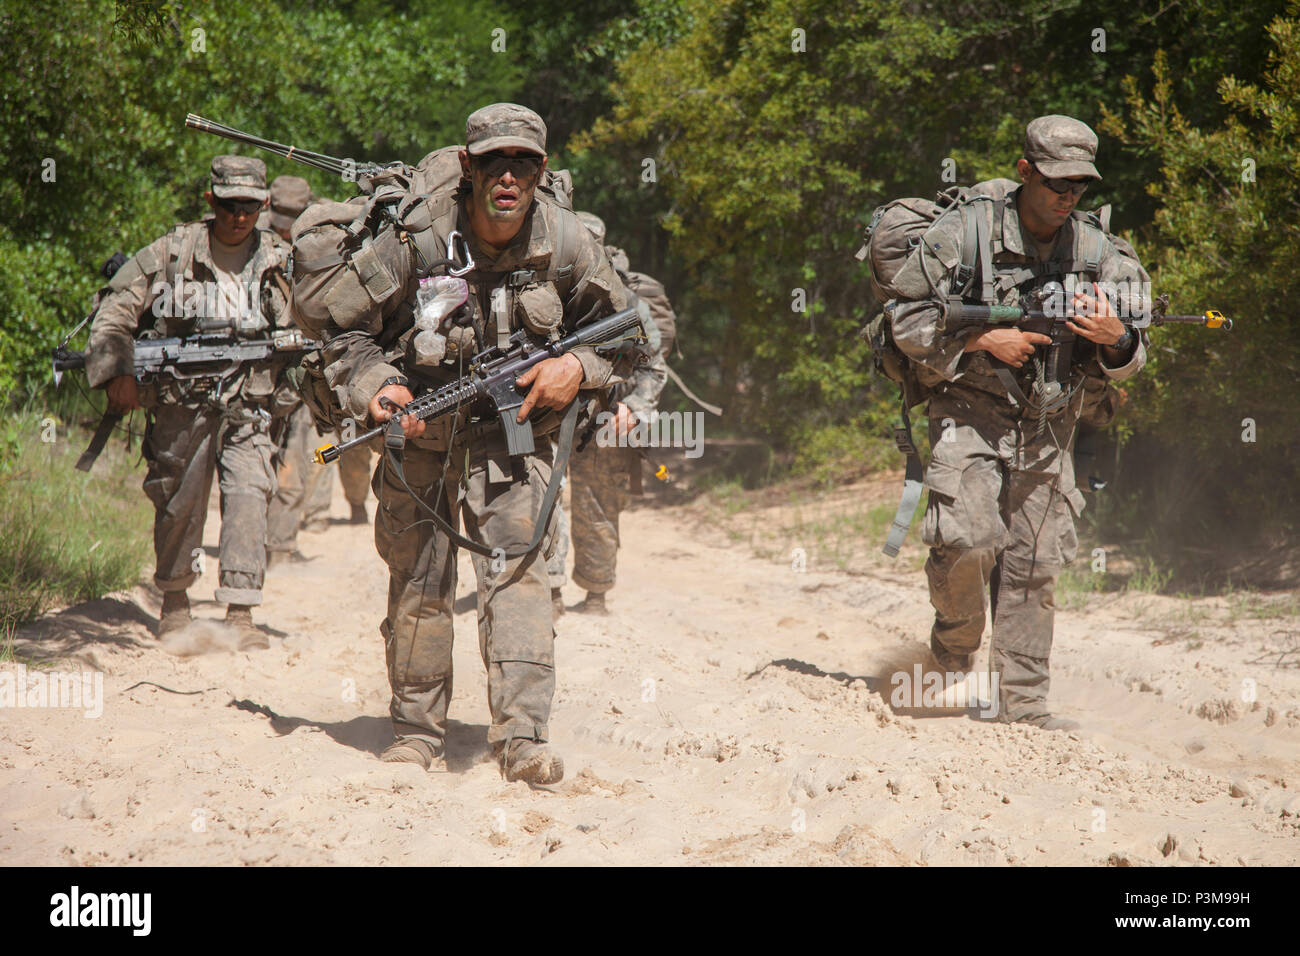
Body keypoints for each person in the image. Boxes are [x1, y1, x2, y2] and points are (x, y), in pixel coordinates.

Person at [295, 104, 633, 782]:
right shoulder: (417, 243)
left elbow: (626, 334)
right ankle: (417, 730)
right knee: (420, 577)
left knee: (518, 574)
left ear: (541, 171)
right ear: (469, 168)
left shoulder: (567, 243)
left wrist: (579, 369)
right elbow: (338, 330)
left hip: (513, 436)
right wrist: (379, 388)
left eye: (524, 163)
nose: (508, 176)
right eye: (494, 163)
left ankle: (523, 738)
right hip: (419, 431)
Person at [889, 115, 1147, 730]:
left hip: (1050, 419)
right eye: (1056, 182)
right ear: (1026, 170)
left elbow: (1137, 350)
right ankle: (953, 652)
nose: (1067, 197)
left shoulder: (1097, 251)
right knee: (969, 539)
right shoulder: (966, 231)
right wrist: (986, 338)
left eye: (1079, 186)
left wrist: (1116, 338)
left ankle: (1022, 706)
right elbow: (905, 321)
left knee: (1035, 564)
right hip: (969, 407)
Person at [85, 155, 295, 645]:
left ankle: (240, 613)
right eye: (227, 206)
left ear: (264, 205)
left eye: (248, 206)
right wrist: (118, 372)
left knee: (249, 492)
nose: (238, 216)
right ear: (210, 201)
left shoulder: (280, 261)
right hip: (183, 399)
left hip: (251, 401)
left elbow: (307, 326)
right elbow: (116, 309)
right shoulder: (173, 252)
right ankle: (176, 601)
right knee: (179, 497)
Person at [564, 211, 671, 616]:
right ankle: (548, 592)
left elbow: (652, 366)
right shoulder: (541, 291)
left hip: (603, 419)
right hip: (543, 415)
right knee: (542, 502)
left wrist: (635, 407)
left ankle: (596, 593)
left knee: (597, 505)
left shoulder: (627, 304)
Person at [262, 176, 372, 567]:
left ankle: (301, 527)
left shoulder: (327, 235)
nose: (285, 226)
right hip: (266, 366)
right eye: (280, 217)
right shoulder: (256, 244)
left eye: (293, 217)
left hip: (316, 365)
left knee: (316, 450)